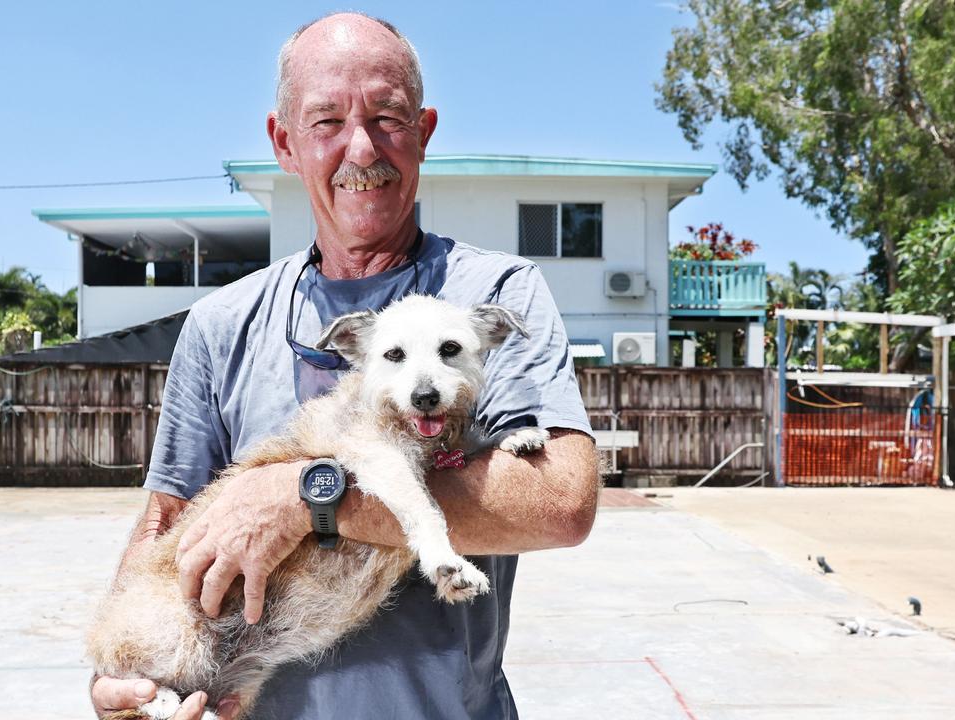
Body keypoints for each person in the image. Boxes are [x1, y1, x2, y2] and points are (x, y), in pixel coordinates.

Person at [92, 12, 599, 720]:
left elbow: (560, 503)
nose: (362, 148)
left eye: (388, 117)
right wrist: (117, 672)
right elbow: (167, 519)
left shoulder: (493, 295)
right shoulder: (221, 324)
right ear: (284, 144)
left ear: (423, 131)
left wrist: (308, 498)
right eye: (326, 120)